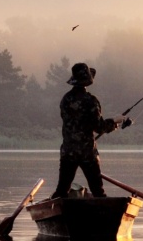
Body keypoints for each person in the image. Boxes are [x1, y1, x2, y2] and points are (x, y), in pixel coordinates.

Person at [51, 62, 131, 199]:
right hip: (87, 152)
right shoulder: (91, 100)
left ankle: (56, 211)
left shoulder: (65, 99)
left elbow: (72, 123)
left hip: (68, 151)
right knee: (98, 192)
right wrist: (115, 121)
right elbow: (99, 127)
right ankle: (104, 214)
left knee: (61, 191)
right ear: (88, 80)